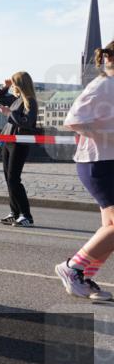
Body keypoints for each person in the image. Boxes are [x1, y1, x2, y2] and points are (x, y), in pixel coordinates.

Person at [55, 41, 114, 302]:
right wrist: (109, 135)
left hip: (107, 161)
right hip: (98, 162)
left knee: (110, 228)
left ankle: (84, 275)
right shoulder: (103, 84)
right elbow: (73, 120)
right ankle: (73, 268)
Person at [0, 71, 39, 227]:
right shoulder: (16, 99)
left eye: (13, 84)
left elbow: (27, 122)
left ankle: (27, 216)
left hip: (20, 143)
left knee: (14, 179)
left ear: (20, 84)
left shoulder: (30, 101)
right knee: (8, 179)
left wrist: (9, 113)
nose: (12, 86)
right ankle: (14, 213)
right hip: (9, 141)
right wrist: (4, 87)